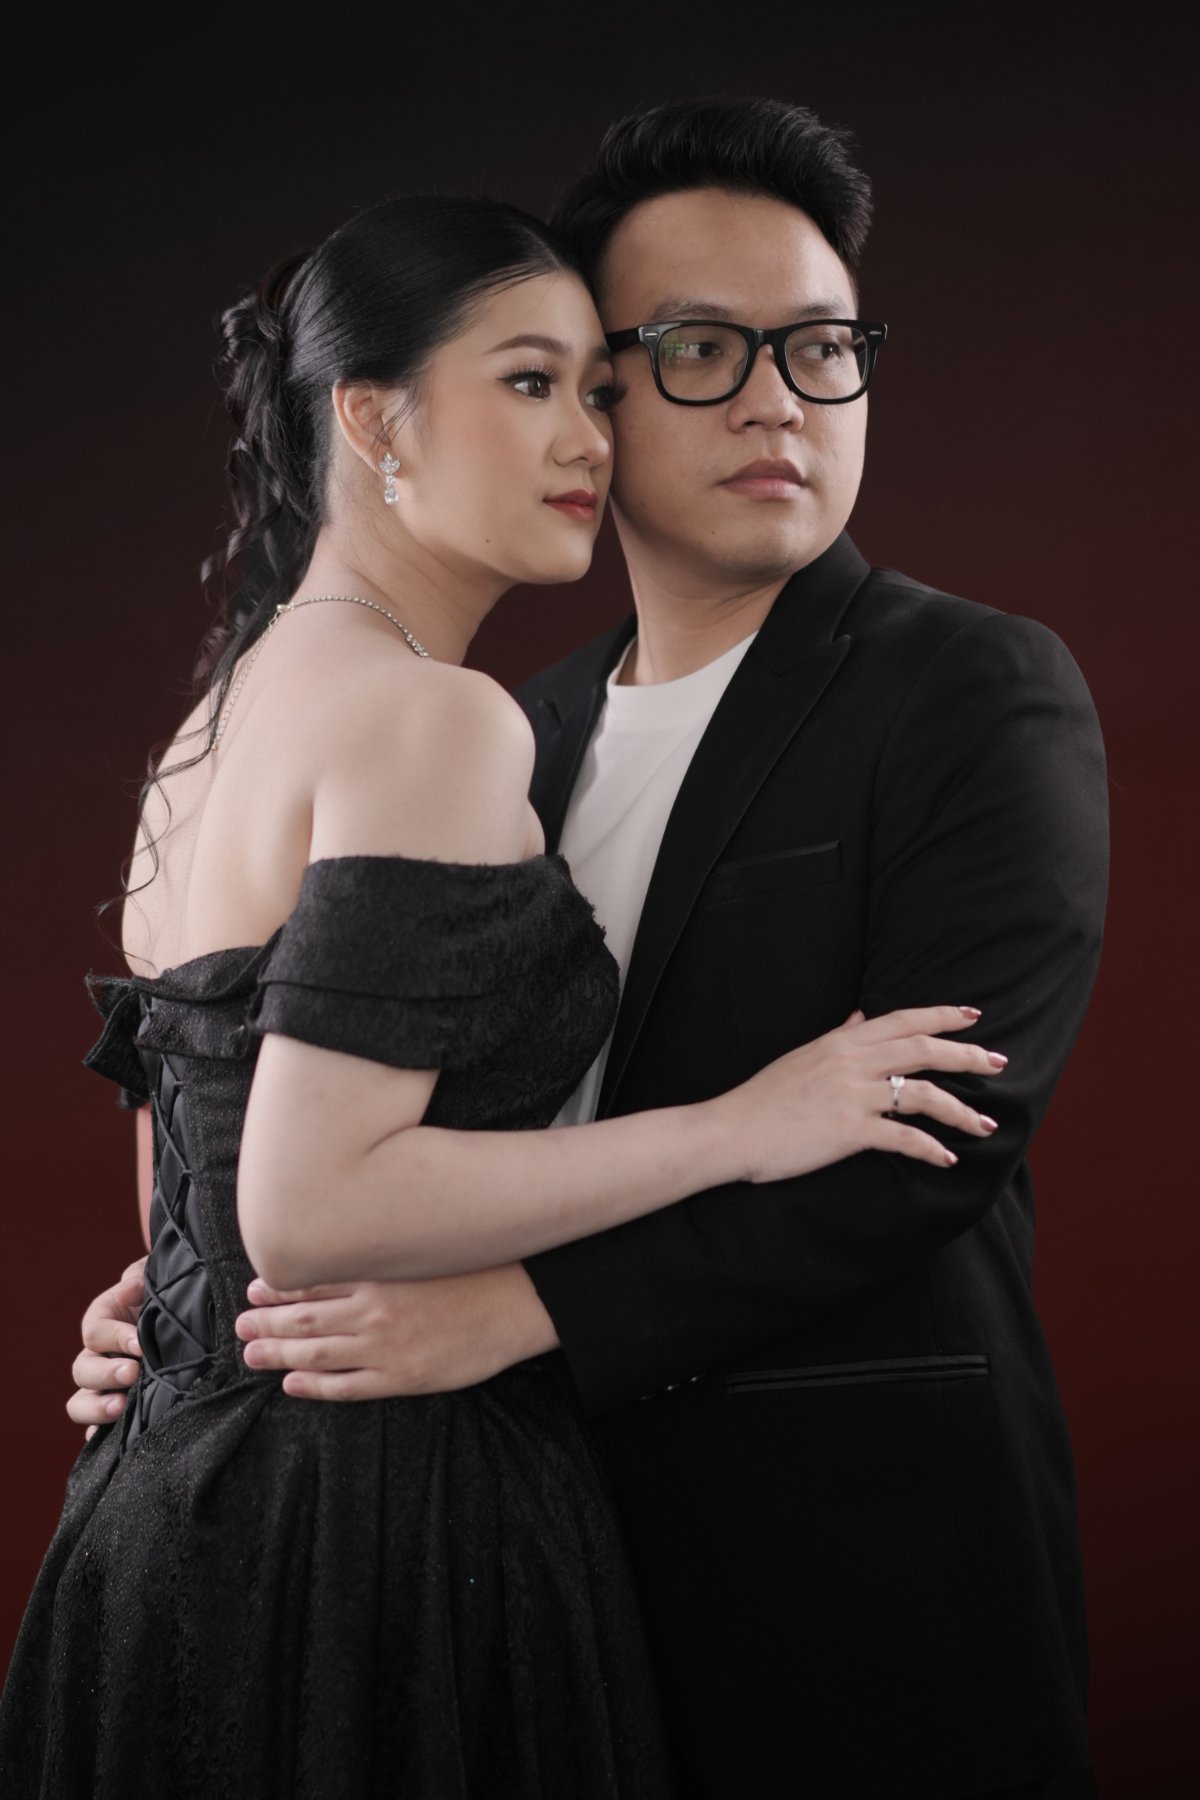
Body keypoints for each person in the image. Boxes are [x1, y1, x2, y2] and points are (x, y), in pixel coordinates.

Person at [1, 190, 1000, 1799]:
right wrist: (742, 1126)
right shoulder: (439, 718)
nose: (589, 439)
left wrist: (166, 1312)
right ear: (373, 416)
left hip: (163, 1507)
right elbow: (309, 1209)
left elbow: (195, 1196)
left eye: (599, 390)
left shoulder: (215, 721)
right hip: (367, 1525)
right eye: (531, 382)